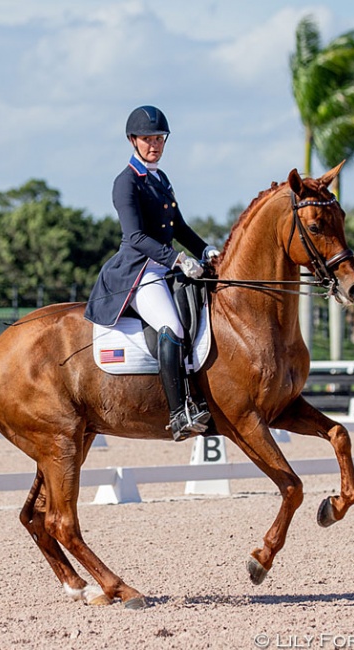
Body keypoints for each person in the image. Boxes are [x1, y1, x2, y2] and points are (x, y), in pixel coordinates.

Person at [85, 105, 220, 441]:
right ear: (133, 140)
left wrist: (206, 250)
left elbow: (180, 227)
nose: (154, 144)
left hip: (167, 268)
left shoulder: (160, 179)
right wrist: (178, 260)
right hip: (139, 272)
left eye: (159, 138)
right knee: (171, 326)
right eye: (147, 139)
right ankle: (179, 413)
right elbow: (135, 238)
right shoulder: (127, 182)